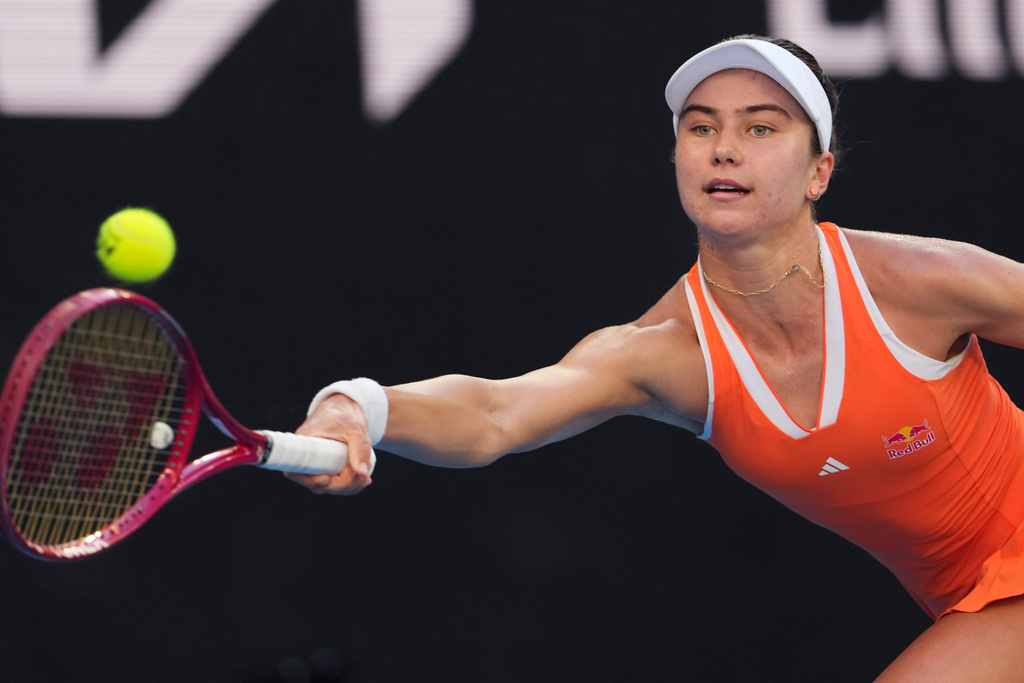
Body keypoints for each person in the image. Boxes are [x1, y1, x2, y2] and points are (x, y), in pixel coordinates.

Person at [285, 34, 1024, 681]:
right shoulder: (667, 354)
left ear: (819, 172)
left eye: (761, 127)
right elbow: (495, 413)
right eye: (701, 127)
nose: (724, 147)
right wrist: (360, 406)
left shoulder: (921, 281)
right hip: (964, 601)